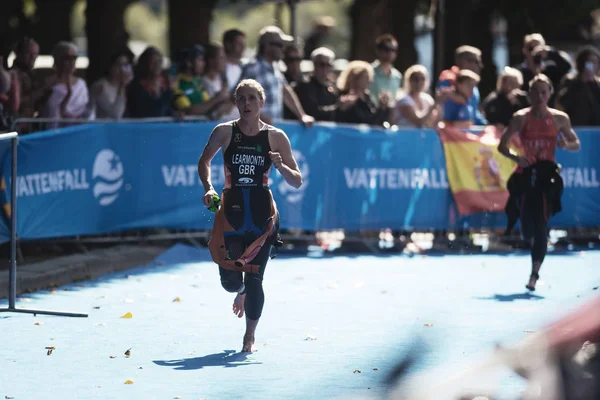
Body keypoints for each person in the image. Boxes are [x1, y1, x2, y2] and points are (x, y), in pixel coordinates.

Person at [197, 79, 303, 352]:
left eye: (252, 98)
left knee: (255, 279)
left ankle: (249, 337)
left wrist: (280, 167)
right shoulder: (224, 132)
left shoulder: (276, 137)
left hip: (261, 216)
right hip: (231, 214)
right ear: (236, 103)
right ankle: (239, 291)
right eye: (241, 98)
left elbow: (297, 181)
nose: (246, 104)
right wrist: (208, 187)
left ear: (262, 103)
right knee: (230, 281)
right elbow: (204, 161)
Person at [498, 74, 580, 291]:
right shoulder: (520, 118)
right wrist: (517, 158)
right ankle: (532, 242)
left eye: (544, 92)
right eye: (536, 92)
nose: (540, 96)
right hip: (526, 174)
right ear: (530, 94)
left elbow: (576, 144)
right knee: (526, 227)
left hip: (547, 176)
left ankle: (534, 273)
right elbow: (502, 146)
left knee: (542, 223)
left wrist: (564, 145)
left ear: (550, 93)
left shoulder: (559, 118)